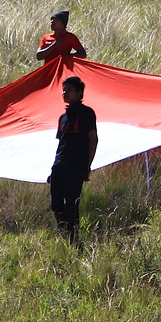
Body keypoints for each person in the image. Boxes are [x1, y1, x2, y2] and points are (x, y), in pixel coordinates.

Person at [48, 75, 98, 245]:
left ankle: (74, 240)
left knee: (71, 204)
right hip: (59, 165)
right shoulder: (62, 117)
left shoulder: (87, 113)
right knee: (56, 205)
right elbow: (60, 144)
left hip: (75, 167)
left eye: (69, 90)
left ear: (79, 92)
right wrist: (53, 168)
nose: (65, 93)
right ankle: (64, 234)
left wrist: (87, 166)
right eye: (64, 89)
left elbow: (93, 139)